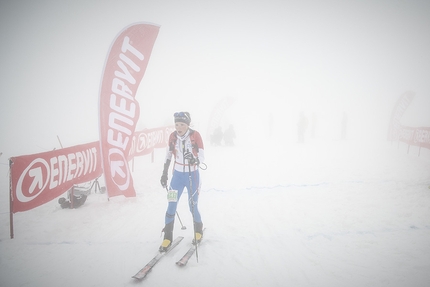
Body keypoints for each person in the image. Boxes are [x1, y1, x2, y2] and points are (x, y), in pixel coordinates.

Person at [159, 112, 205, 252]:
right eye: (177, 124)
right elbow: (168, 156)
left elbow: (202, 156)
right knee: (171, 205)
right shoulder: (172, 137)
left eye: (182, 124)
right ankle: (167, 237)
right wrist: (164, 173)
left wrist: (194, 160)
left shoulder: (195, 135)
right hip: (177, 177)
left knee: (192, 206)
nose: (179, 127)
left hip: (192, 176)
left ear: (187, 125)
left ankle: (198, 230)